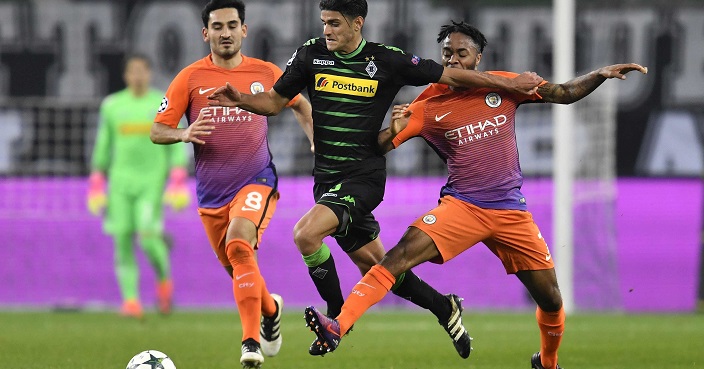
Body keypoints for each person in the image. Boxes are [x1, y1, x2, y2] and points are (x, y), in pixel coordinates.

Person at [302, 21, 648, 369]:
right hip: (463, 207)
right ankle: (339, 325)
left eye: (461, 53)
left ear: (477, 58)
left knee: (552, 300)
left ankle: (547, 361)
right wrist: (390, 132)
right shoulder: (427, 104)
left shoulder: (505, 86)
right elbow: (378, 147)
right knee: (396, 258)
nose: (452, 60)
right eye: (446, 53)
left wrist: (599, 74)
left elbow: (563, 93)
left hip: (510, 212)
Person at [207, 0, 542, 358]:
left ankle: (335, 317)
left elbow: (450, 76)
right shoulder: (310, 56)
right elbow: (275, 102)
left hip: (363, 177)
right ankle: (446, 309)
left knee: (306, 234)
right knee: (379, 268)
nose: (327, 30)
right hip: (327, 180)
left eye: (334, 23)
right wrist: (241, 99)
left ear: (357, 23)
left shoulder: (388, 60)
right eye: (324, 22)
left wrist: (508, 82)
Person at [149, 0, 314, 368]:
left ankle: (250, 342)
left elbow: (301, 106)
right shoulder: (189, 78)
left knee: (240, 243)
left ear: (244, 30)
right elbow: (157, 130)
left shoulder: (268, 72)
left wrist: (315, 140)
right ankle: (271, 310)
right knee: (241, 269)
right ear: (205, 33)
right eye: (217, 27)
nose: (225, 33)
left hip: (257, 180)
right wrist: (183, 133)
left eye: (232, 25)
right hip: (211, 196)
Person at [87, 54, 191, 319]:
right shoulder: (112, 105)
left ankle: (164, 280)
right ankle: (130, 301)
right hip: (119, 183)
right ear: (125, 75)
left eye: (142, 71)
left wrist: (178, 173)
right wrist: (97, 177)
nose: (137, 76)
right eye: (132, 71)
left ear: (149, 73)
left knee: (147, 237)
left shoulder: (160, 102)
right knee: (122, 239)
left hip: (151, 182)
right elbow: (104, 142)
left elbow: (175, 136)